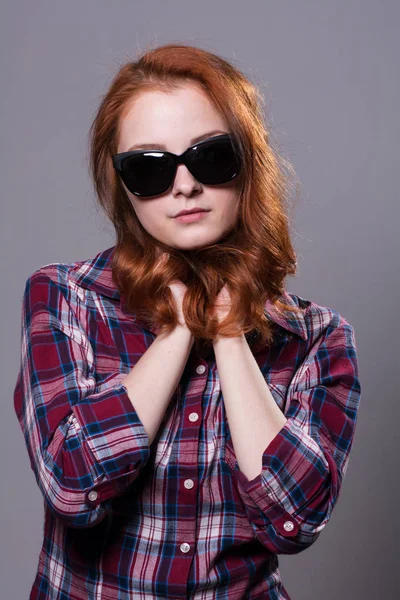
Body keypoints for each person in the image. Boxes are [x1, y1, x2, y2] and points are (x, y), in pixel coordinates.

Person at [13, 43, 361, 600]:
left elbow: (294, 519)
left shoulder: (317, 339)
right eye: (149, 168)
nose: (183, 186)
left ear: (249, 161)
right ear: (123, 186)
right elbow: (73, 488)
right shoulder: (66, 298)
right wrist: (178, 330)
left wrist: (226, 328)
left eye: (210, 156)